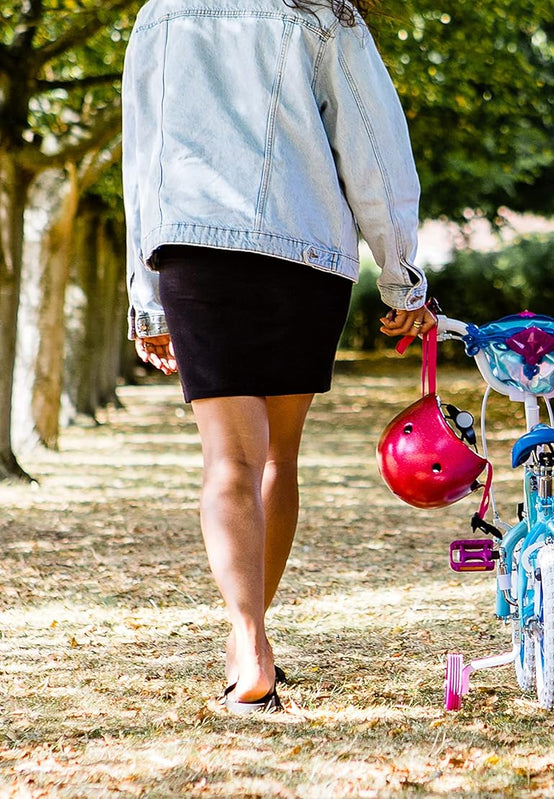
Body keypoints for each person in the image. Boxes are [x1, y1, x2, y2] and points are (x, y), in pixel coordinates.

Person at [122, 0, 433, 714]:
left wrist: (145, 295)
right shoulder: (321, 11)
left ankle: (247, 640)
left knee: (229, 460)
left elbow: (143, 156)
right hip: (305, 253)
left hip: (195, 249)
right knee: (276, 459)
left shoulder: (159, 15)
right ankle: (253, 636)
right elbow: (375, 148)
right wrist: (400, 272)